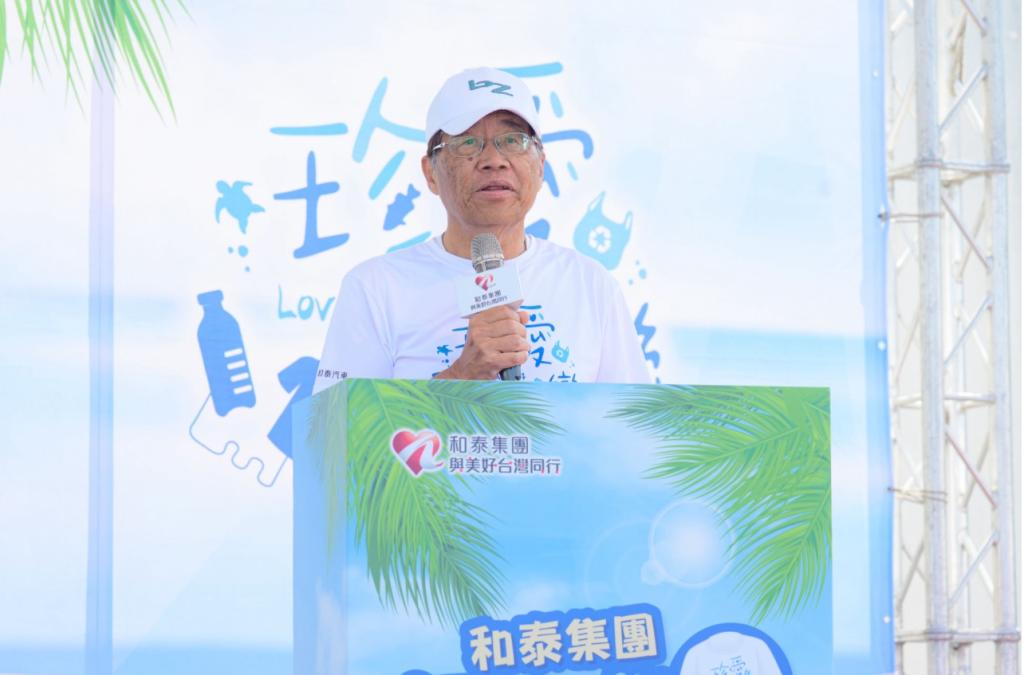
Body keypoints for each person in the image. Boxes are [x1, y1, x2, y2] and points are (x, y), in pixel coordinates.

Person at [312, 67, 648, 393]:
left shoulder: (591, 285)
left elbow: (638, 424)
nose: (494, 160)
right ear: (430, 173)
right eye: (468, 143)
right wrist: (461, 377)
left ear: (541, 167)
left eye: (513, 140)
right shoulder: (375, 288)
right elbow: (335, 427)